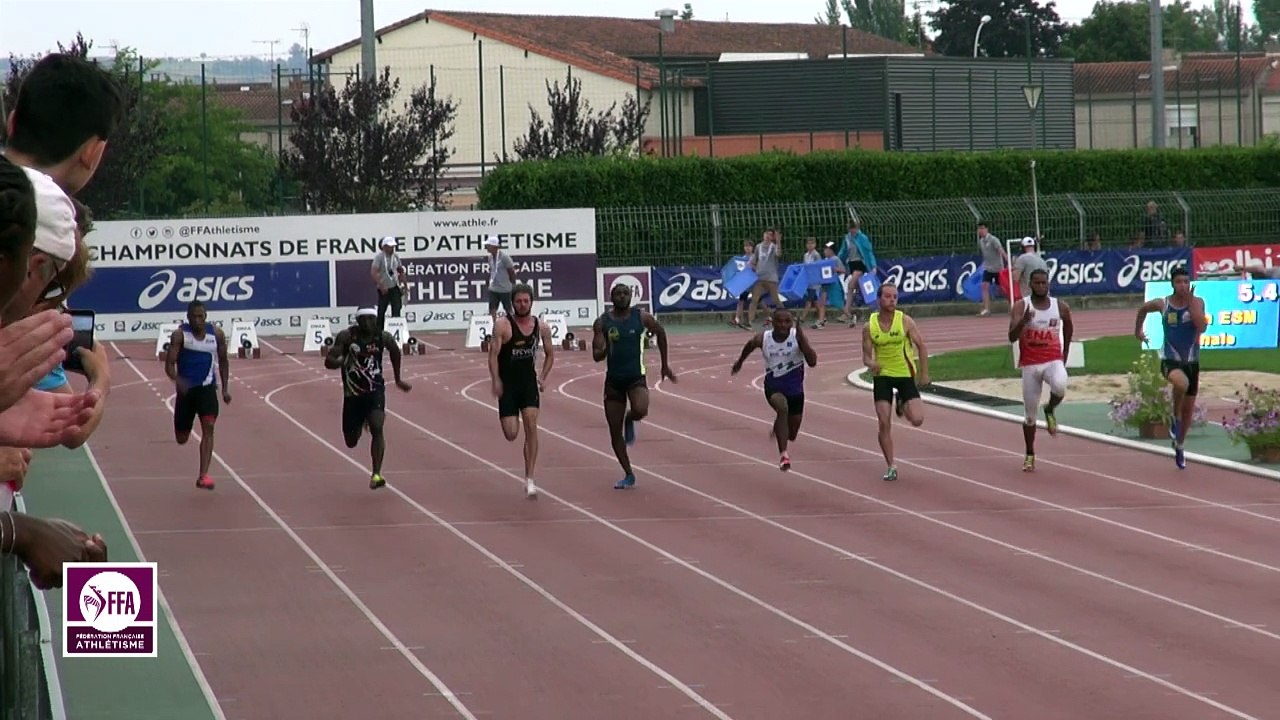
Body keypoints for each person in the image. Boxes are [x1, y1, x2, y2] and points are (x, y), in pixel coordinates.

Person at [592, 282, 677, 489]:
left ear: (631, 296)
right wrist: (607, 347)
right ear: (611, 298)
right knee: (614, 432)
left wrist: (665, 364)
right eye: (618, 294)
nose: (622, 296)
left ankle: (630, 419)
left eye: (625, 293)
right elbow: (596, 355)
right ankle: (628, 473)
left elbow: (661, 332)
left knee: (641, 409)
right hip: (613, 382)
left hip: (635, 377)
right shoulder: (602, 322)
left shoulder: (641, 317)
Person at [324, 307, 412, 489]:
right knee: (350, 442)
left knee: (377, 427)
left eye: (371, 319)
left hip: (375, 391)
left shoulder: (382, 337)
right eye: (364, 320)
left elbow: (395, 352)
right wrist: (339, 361)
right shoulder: (347, 337)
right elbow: (329, 361)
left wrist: (397, 379)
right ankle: (358, 424)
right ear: (358, 321)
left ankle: (376, 474)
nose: (368, 323)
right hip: (353, 395)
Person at [488, 283, 555, 499]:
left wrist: (543, 378)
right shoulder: (502, 326)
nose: (522, 304)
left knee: (531, 426)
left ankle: (530, 478)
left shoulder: (541, 327)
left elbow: (550, 354)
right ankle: (528, 477)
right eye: (518, 301)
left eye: (526, 301)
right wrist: (496, 379)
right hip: (508, 386)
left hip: (528, 384)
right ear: (512, 303)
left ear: (532, 302)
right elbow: (493, 355)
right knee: (511, 434)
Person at [1134, 266, 1204, 469]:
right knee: (1181, 383)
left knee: (1188, 412)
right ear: (1172, 284)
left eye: (1185, 281)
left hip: (1192, 361)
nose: (1183, 285)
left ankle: (1180, 445)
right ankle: (1174, 415)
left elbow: (1202, 326)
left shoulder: (1197, 303)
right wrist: (1138, 331)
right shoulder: (1163, 304)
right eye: (1178, 282)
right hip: (1170, 359)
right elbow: (1142, 310)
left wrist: (1191, 305)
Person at [731, 308, 817, 471]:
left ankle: (779, 426)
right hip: (773, 387)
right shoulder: (764, 338)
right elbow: (749, 346)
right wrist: (740, 362)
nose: (784, 325)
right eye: (780, 321)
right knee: (782, 407)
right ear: (772, 323)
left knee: (791, 434)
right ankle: (784, 455)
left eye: (787, 322)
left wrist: (803, 342)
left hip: (796, 391)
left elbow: (812, 362)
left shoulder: (797, 337)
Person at [1008, 269, 1074, 472]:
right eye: (1036, 283)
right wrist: (1023, 322)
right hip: (1030, 365)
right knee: (1029, 416)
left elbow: (1069, 327)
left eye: (1044, 283)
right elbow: (1011, 337)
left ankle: (1050, 408)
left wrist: (1065, 353)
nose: (1041, 287)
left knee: (1061, 385)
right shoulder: (1021, 306)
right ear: (1030, 284)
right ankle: (1030, 453)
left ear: (1048, 284)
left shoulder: (1059, 306)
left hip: (1052, 360)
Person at [862, 282, 928, 482]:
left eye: (895, 297)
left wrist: (924, 374)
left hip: (904, 374)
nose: (892, 300)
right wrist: (872, 363)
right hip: (882, 376)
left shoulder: (905, 321)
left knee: (917, 419)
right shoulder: (869, 326)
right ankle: (891, 465)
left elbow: (922, 346)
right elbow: (865, 357)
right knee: (884, 422)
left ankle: (901, 401)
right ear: (879, 299)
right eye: (888, 296)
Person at [164, 301, 231, 490]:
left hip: (207, 388)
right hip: (186, 392)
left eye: (201, 316)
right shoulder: (180, 336)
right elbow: (169, 365)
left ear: (206, 316)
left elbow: (224, 361)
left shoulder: (216, 334)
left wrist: (225, 389)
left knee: (209, 427)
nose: (197, 320)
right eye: (194, 316)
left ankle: (203, 475)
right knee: (182, 438)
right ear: (188, 317)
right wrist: (179, 381)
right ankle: (182, 429)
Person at [370, 236, 404, 331]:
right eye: (390, 246)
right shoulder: (379, 257)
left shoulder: (396, 256)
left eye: (393, 246)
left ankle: (396, 329)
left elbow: (400, 270)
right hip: (383, 288)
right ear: (384, 246)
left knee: (397, 308)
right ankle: (379, 331)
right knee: (382, 310)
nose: (392, 248)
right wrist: (381, 285)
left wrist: (404, 283)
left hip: (394, 286)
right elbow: (374, 272)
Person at [485, 236, 516, 323]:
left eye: (488, 245)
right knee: (492, 309)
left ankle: (513, 326)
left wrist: (512, 284)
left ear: (494, 246)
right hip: (494, 288)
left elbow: (511, 271)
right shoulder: (490, 257)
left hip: (505, 289)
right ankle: (493, 328)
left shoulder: (505, 258)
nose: (486, 247)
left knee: (509, 310)